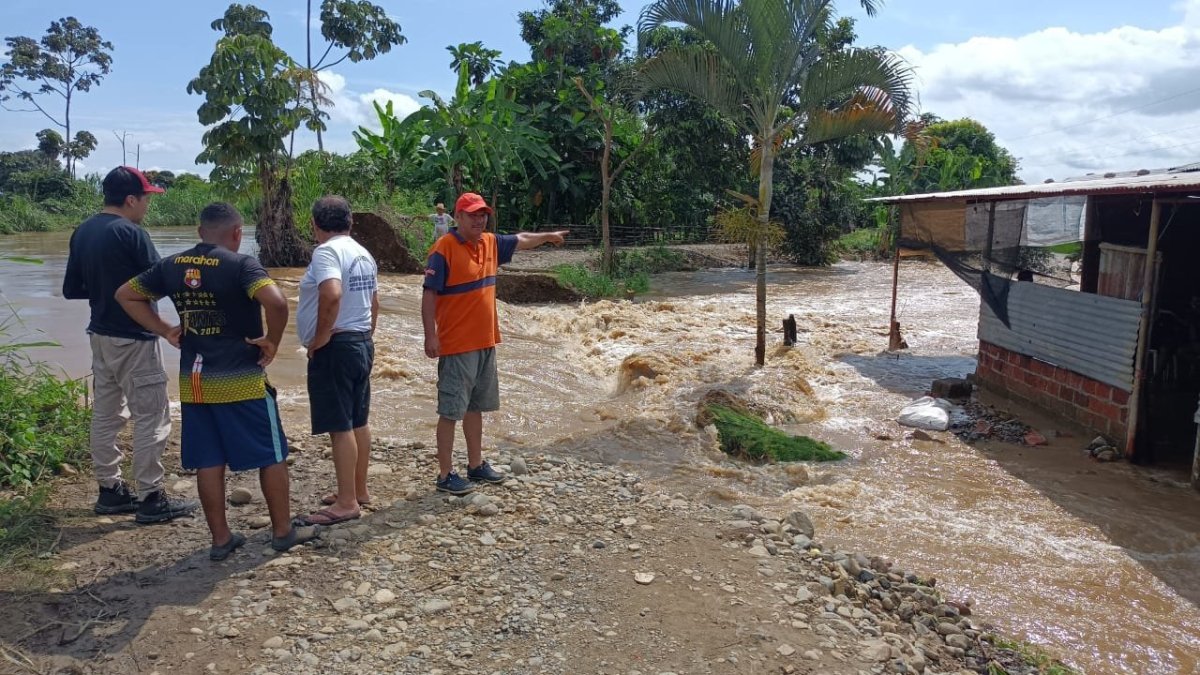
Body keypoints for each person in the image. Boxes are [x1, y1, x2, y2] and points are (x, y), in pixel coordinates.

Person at [115, 203, 318, 560]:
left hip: (193, 381)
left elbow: (126, 295)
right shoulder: (241, 265)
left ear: (199, 232)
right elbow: (277, 302)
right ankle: (283, 532)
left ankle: (221, 539)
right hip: (240, 379)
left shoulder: (171, 265)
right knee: (272, 455)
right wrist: (272, 340)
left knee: (209, 460)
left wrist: (164, 330)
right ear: (238, 233)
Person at [62, 166, 198, 524]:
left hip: (100, 335)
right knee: (152, 415)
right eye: (147, 198)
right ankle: (152, 497)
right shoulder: (132, 233)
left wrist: (108, 291)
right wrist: (174, 324)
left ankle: (110, 491)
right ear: (130, 199)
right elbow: (166, 281)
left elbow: (72, 289)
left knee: (106, 414)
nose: (148, 206)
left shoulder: (83, 231)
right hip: (135, 338)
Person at [421, 192, 567, 495]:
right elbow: (428, 295)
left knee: (476, 407)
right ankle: (445, 475)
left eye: (483, 214)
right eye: (472, 214)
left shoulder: (490, 243)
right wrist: (430, 335)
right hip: (457, 344)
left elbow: (522, 238)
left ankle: (475, 466)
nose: (479, 219)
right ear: (457, 217)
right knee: (450, 410)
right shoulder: (443, 249)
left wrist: (548, 236)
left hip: (485, 341)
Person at [296, 196, 380, 525]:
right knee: (358, 420)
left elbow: (331, 294)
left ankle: (346, 502)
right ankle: (358, 490)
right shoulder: (363, 252)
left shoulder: (326, 252)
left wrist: (320, 338)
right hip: (359, 342)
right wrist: (364, 336)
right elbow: (374, 302)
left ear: (315, 225)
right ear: (350, 222)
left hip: (338, 345)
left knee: (340, 425)